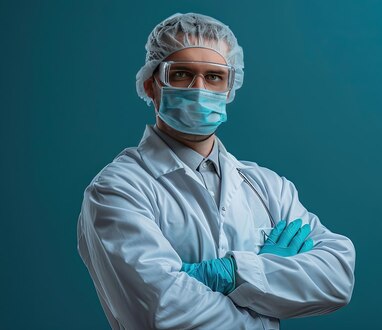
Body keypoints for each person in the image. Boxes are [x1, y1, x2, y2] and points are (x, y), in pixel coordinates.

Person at [77, 12, 356, 330]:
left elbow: (337, 277)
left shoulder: (266, 187)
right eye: (181, 74)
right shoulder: (117, 190)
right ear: (151, 86)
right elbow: (161, 313)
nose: (199, 89)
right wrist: (268, 277)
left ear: (229, 89)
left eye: (213, 77)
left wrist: (233, 272)